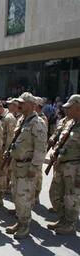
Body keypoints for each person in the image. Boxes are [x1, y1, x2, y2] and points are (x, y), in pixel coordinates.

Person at [5, 92, 47, 239]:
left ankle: (25, 225)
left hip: (27, 166)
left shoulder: (37, 123)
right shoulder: (22, 120)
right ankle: (20, 221)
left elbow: (40, 149)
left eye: (22, 103)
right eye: (19, 103)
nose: (19, 105)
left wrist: (34, 168)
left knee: (25, 197)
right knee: (16, 195)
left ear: (32, 105)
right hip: (17, 165)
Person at [47, 94, 80, 235]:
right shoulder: (69, 123)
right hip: (61, 165)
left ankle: (70, 223)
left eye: (69, 107)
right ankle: (63, 219)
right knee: (55, 193)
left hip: (74, 168)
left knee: (71, 197)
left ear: (78, 108)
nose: (66, 110)